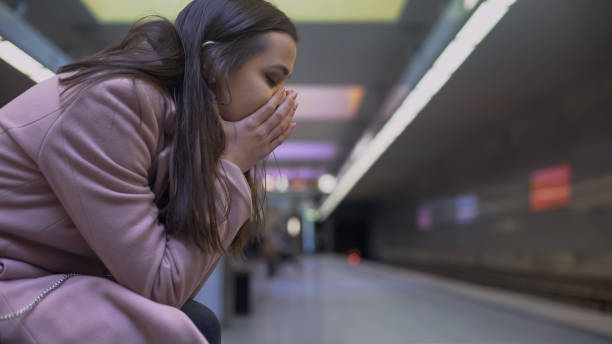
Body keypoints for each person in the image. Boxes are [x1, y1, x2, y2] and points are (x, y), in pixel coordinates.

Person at [0, 0, 298, 343]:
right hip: (16, 284)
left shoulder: (183, 129)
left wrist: (225, 160)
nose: (282, 99)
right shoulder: (115, 104)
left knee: (195, 319)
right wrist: (230, 165)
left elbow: (183, 282)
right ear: (213, 62)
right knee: (188, 327)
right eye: (272, 78)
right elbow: (162, 286)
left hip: (49, 278)